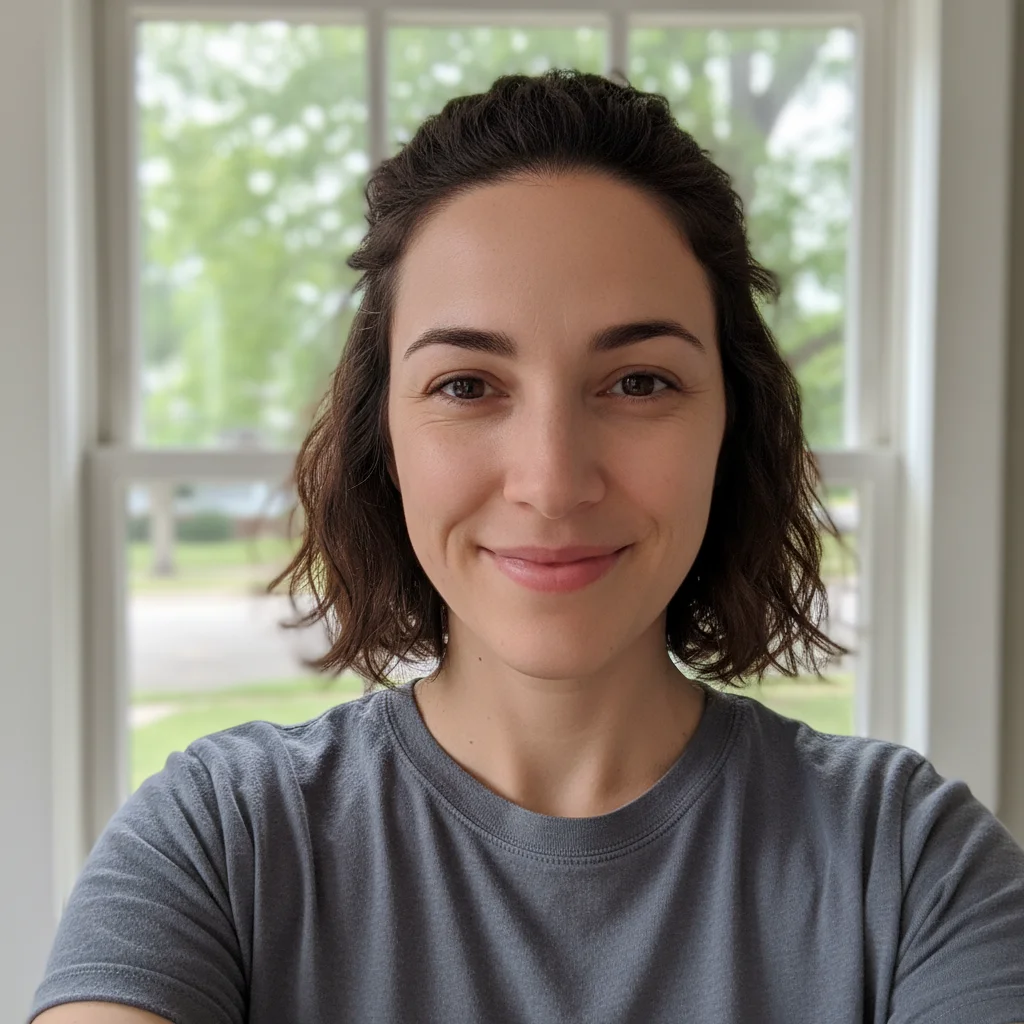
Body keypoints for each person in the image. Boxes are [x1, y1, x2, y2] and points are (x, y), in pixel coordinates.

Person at [31, 69, 1024, 1024]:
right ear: (384, 437)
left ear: (735, 420)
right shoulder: (220, 838)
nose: (551, 481)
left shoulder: (907, 860)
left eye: (639, 382)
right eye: (466, 385)